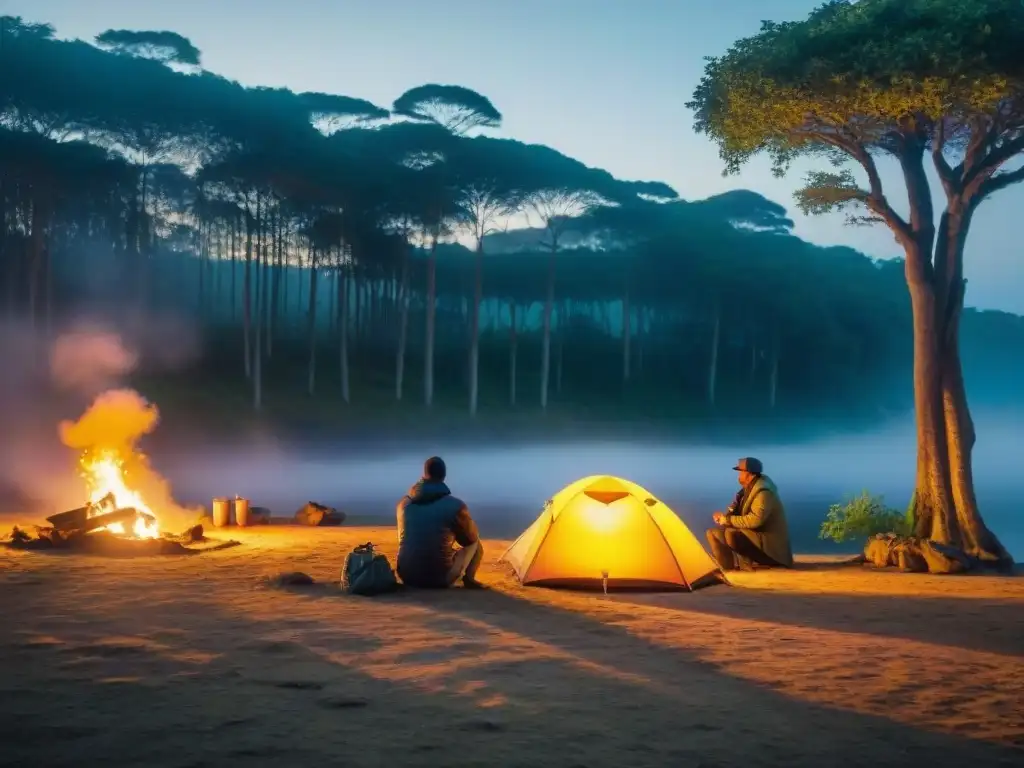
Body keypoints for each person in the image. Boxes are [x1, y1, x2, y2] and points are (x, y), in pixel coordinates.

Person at [396, 456, 485, 589]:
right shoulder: (455, 505)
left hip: (407, 575)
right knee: (474, 541)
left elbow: (402, 539)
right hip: (440, 578)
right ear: (444, 476)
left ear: (424, 475)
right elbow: (469, 539)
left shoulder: (404, 505)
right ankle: (469, 578)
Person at [705, 457, 794, 571]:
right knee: (713, 533)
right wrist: (723, 517)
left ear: (749, 474)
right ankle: (726, 568)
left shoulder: (763, 492)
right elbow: (734, 510)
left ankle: (746, 565)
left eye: (741, 472)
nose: (739, 475)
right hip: (754, 537)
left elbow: (755, 520)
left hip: (770, 547)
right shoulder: (744, 491)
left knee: (731, 534)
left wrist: (728, 520)